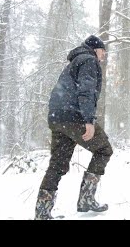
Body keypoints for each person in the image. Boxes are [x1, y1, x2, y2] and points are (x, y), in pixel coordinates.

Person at [34, 35, 113, 220]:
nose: (104, 55)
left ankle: (42, 212)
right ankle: (86, 199)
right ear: (96, 49)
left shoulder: (75, 61)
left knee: (57, 164)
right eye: (103, 51)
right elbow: (86, 91)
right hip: (74, 116)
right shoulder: (89, 61)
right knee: (104, 149)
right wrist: (88, 120)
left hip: (57, 117)